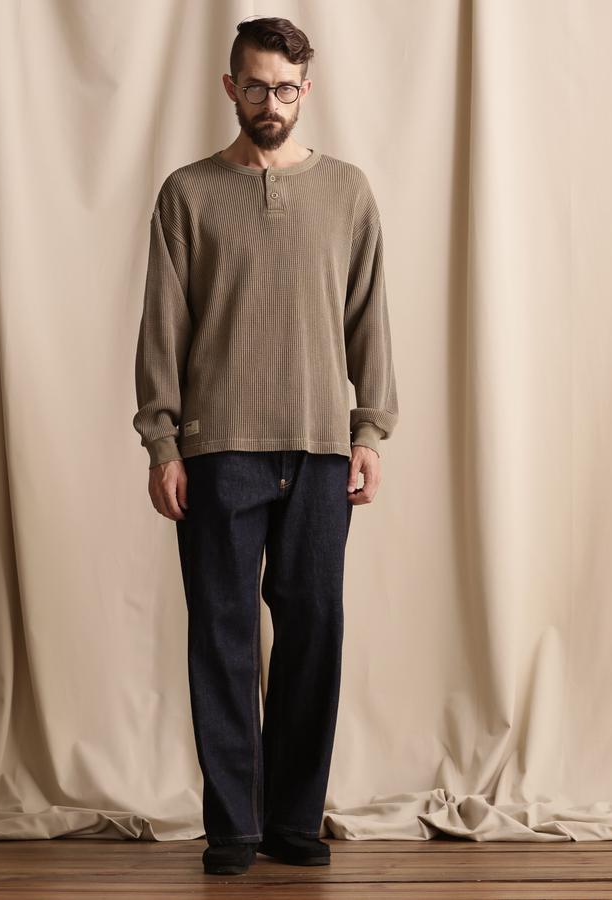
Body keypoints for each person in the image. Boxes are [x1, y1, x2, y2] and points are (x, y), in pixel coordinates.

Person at [132, 15, 399, 877]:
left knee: (314, 630)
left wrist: (369, 430)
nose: (271, 103)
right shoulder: (187, 193)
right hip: (217, 449)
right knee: (221, 635)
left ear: (306, 91)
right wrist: (162, 442)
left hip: (321, 447)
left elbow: (368, 319)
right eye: (256, 86)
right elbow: (163, 328)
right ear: (230, 87)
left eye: (285, 88)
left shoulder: (347, 191)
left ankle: (292, 818)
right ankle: (233, 827)